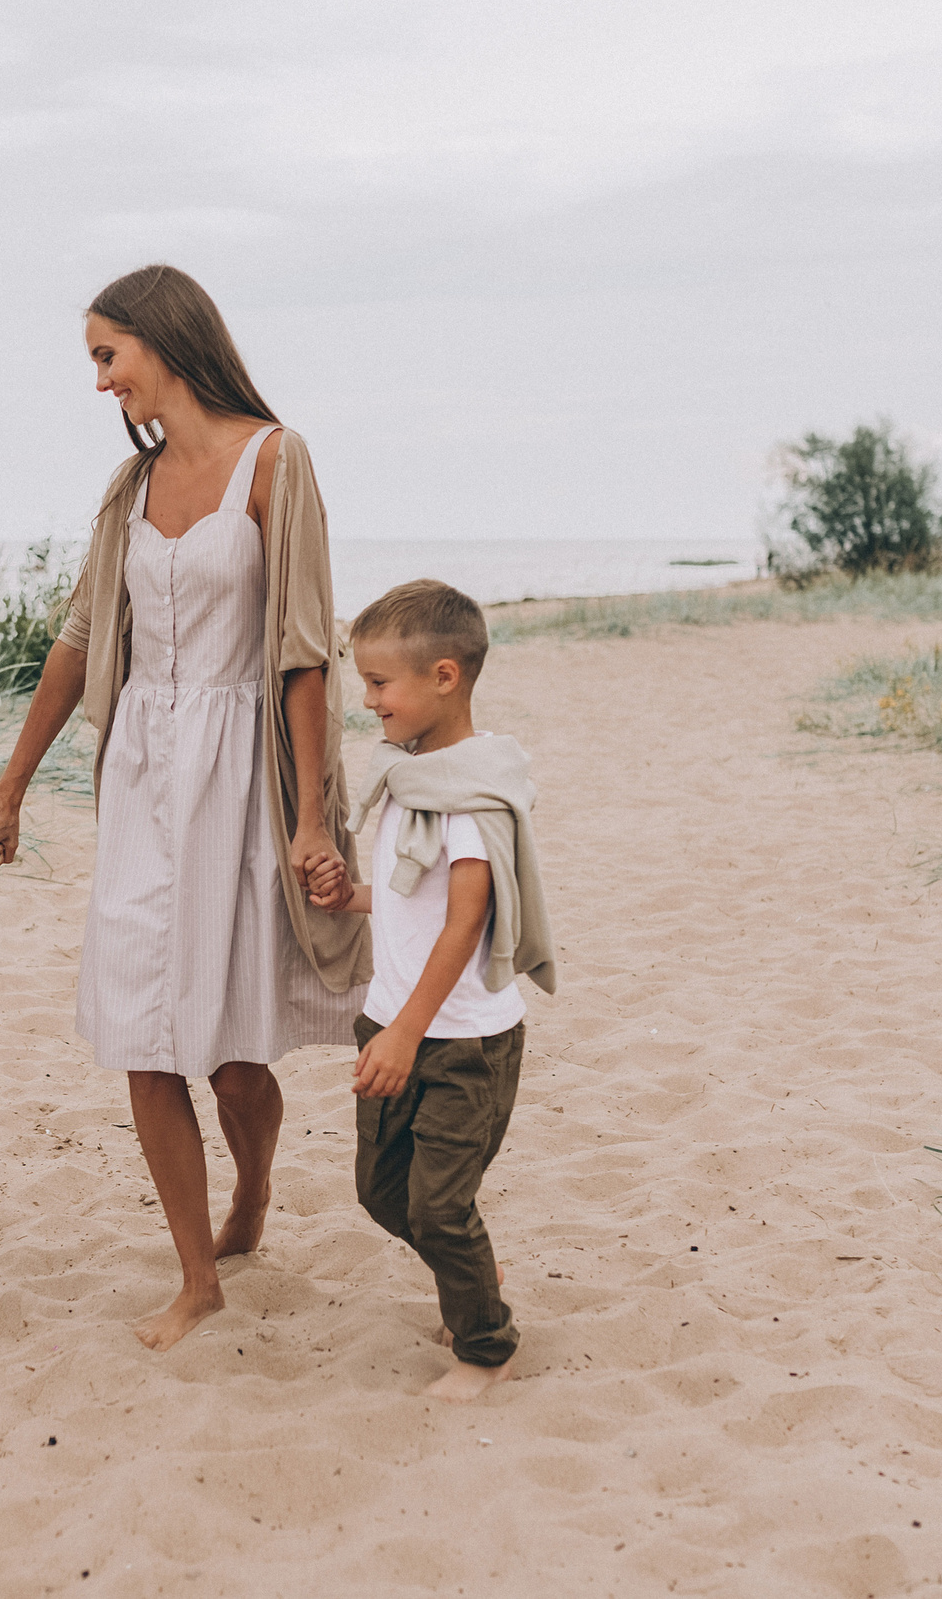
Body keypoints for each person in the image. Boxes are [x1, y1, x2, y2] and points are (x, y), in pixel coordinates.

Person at [0, 264, 372, 1351]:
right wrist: (8, 790)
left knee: (233, 1050)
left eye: (107, 356)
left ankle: (253, 1191)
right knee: (143, 1031)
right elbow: (83, 638)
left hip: (241, 776)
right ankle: (197, 1275)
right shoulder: (125, 492)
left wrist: (313, 817)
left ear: (163, 340)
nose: (101, 383)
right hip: (141, 773)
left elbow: (302, 652)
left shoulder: (276, 462)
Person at [304, 580, 557, 1401]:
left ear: (444, 677)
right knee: (382, 1192)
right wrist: (354, 897)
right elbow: (416, 897)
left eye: (380, 684)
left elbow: (465, 920)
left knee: (439, 1207)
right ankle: (469, 1267)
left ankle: (485, 1344)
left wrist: (408, 1034)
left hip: (462, 1040)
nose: (367, 701)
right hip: (395, 1020)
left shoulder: (470, 797)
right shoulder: (414, 779)